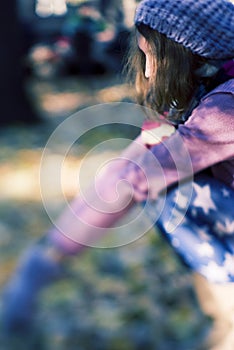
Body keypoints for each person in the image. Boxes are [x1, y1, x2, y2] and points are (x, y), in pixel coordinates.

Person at [2, 0, 234, 349]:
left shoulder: (225, 110)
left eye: (154, 58)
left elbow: (130, 182)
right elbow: (126, 171)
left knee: (174, 189)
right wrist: (48, 254)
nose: (149, 73)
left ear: (190, 54)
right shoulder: (208, 91)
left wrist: (45, 262)